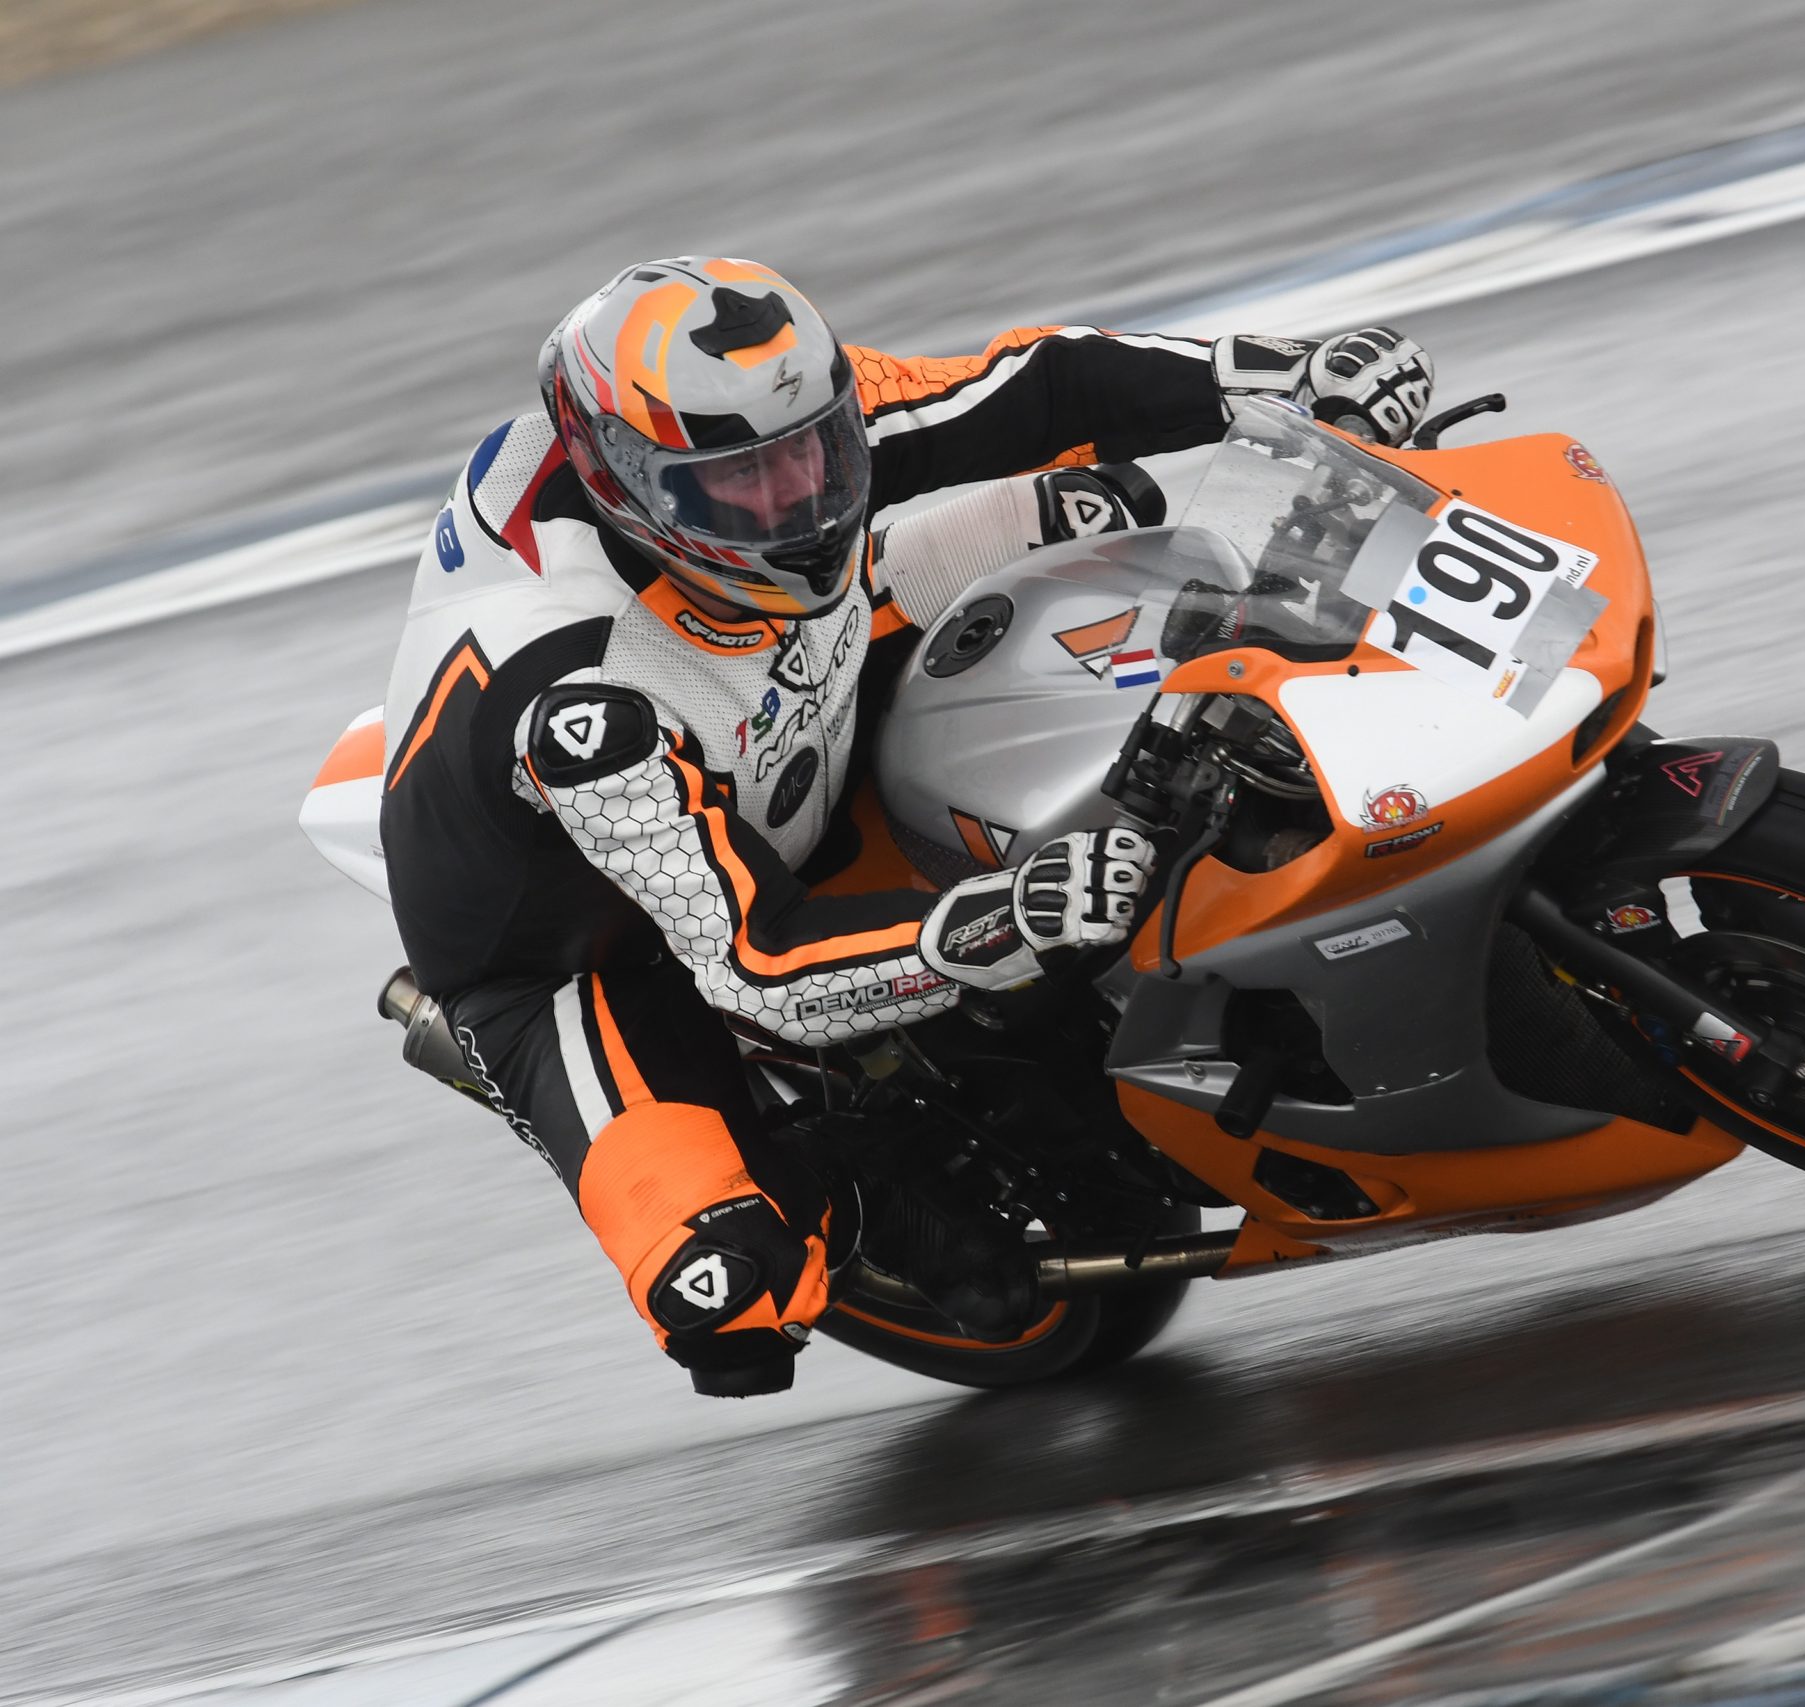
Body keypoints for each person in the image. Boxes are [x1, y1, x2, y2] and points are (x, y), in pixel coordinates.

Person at [378, 255, 1434, 1396]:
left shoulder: (757, 417)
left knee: (1101, 508)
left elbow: (1035, 387)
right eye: (743, 483)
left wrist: (1277, 373)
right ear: (624, 484)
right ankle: (857, 1189)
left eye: (815, 453)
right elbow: (753, 965)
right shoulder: (574, 701)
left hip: (774, 668)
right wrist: (996, 924)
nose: (797, 501)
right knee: (727, 1293)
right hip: (594, 943)